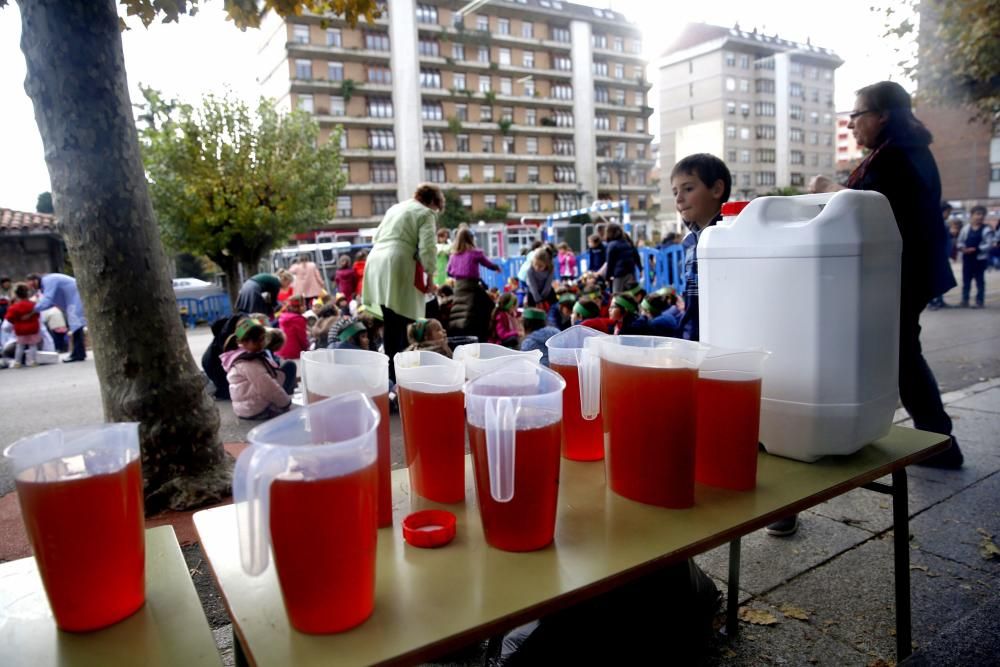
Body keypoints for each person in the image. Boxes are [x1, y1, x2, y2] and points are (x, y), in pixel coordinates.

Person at [362, 184, 443, 381]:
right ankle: (404, 378)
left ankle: (391, 376)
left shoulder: (395, 208)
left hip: (375, 263)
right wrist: (431, 276)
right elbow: (428, 248)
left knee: (391, 322)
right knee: (404, 323)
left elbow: (376, 236)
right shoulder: (426, 213)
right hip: (398, 263)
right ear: (433, 201)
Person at [670, 154, 732, 342]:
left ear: (716, 189)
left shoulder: (729, 237)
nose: (679, 199)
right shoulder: (690, 242)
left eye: (688, 189)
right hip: (692, 338)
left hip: (719, 339)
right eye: (675, 192)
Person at [221, 319, 293, 420]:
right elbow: (268, 387)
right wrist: (286, 403)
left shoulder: (238, 353)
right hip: (254, 409)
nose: (264, 342)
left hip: (245, 407)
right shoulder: (249, 363)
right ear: (248, 342)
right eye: (262, 339)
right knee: (289, 367)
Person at [446, 227, 499, 343]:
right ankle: (487, 335)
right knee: (489, 305)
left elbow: (449, 271)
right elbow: (488, 264)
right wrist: (496, 268)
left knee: (459, 309)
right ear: (471, 239)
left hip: (458, 288)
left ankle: (458, 327)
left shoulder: (453, 255)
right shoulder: (475, 253)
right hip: (472, 286)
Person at [27, 272, 87, 362]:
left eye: (33, 284)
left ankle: (78, 353)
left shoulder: (48, 281)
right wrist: (36, 309)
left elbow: (48, 299)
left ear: (36, 280)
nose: (34, 288)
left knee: (76, 326)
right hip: (73, 300)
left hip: (75, 298)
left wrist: (32, 309)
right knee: (76, 327)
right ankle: (78, 353)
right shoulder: (45, 285)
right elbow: (51, 303)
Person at [957, 205, 993, 308]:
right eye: (977, 214)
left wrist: (977, 249)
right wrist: (962, 248)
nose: (980, 216)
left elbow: (989, 244)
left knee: (980, 281)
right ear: (971, 215)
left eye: (982, 214)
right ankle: (965, 300)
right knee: (966, 281)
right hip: (967, 259)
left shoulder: (986, 229)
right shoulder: (966, 228)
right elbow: (960, 241)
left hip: (979, 260)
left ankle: (979, 301)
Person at [4, 283, 42, 367]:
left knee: (20, 346)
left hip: (20, 329)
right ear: (27, 293)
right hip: (33, 328)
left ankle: (17, 362)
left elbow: (9, 318)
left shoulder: (14, 307)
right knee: (33, 345)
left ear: (17, 295)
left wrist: (16, 321)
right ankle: (32, 361)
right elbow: (38, 315)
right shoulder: (33, 304)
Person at [599, 223, 641, 293]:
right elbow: (635, 255)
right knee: (630, 294)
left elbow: (610, 263)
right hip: (630, 272)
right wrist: (640, 268)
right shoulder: (627, 243)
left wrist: (607, 277)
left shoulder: (611, 245)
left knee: (617, 295)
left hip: (619, 274)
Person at [277, 294, 310, 360]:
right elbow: (302, 339)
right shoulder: (299, 320)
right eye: (304, 304)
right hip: (294, 353)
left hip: (281, 351)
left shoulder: (283, 316)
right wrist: (307, 350)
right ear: (299, 306)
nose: (305, 306)